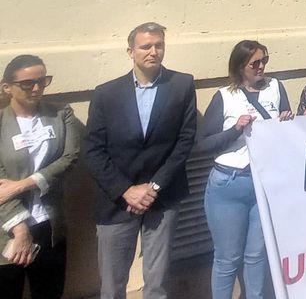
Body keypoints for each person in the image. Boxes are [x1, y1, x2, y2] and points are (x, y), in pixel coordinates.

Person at [83, 22, 197, 299]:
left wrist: (154, 186)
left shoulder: (182, 84)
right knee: (112, 286)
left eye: (159, 45)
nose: (153, 52)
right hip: (117, 200)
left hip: (163, 196)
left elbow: (185, 141)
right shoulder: (106, 93)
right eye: (146, 46)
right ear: (130, 51)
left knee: (157, 284)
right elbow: (92, 150)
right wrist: (126, 190)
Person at [197, 41, 293, 299]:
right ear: (240, 67)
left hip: (264, 183)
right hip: (230, 182)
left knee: (257, 255)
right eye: (255, 63)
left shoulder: (275, 88)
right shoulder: (224, 96)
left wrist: (287, 122)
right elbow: (203, 144)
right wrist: (235, 130)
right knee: (228, 258)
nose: (261, 66)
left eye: (265, 60)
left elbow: (286, 131)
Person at [0, 55, 82, 299]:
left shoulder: (61, 114)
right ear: (7, 88)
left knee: (49, 292)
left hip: (50, 224)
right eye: (27, 83)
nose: (36, 88)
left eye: (42, 80)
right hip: (7, 228)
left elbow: (70, 158)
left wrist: (24, 184)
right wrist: (20, 229)